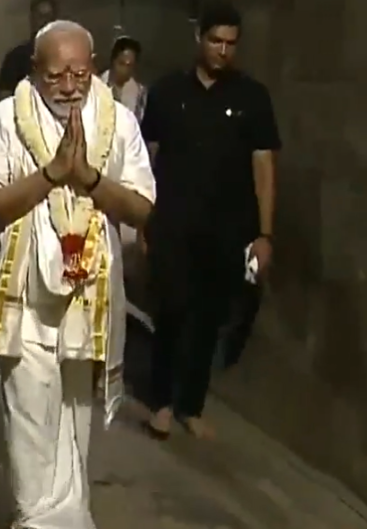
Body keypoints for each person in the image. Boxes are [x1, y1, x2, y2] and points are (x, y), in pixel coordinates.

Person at [0, 20, 155, 529]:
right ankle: (34, 527)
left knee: (76, 408)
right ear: (33, 70)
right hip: (23, 289)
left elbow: (142, 209)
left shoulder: (117, 122)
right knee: (30, 404)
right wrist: (51, 175)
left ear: (94, 66)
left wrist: (89, 178)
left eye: (80, 73)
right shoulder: (5, 120)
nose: (70, 86)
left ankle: (68, 524)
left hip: (89, 289)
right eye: (56, 75)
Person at [139, 1, 279, 440]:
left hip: (228, 229)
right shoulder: (167, 92)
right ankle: (161, 402)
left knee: (209, 316)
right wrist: (143, 221)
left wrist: (264, 233)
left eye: (230, 44)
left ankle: (191, 406)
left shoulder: (252, 97)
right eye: (215, 41)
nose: (222, 50)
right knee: (171, 310)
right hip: (173, 222)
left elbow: (263, 167)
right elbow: (147, 158)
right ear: (198, 38)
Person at [0, 0, 59, 99]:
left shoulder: (64, 56)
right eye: (41, 16)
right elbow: (4, 96)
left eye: (49, 18)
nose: (45, 22)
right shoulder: (15, 58)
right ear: (32, 19)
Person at [102, 35, 146, 121]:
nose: (125, 70)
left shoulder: (140, 95)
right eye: (122, 64)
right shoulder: (95, 85)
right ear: (113, 60)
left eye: (130, 65)